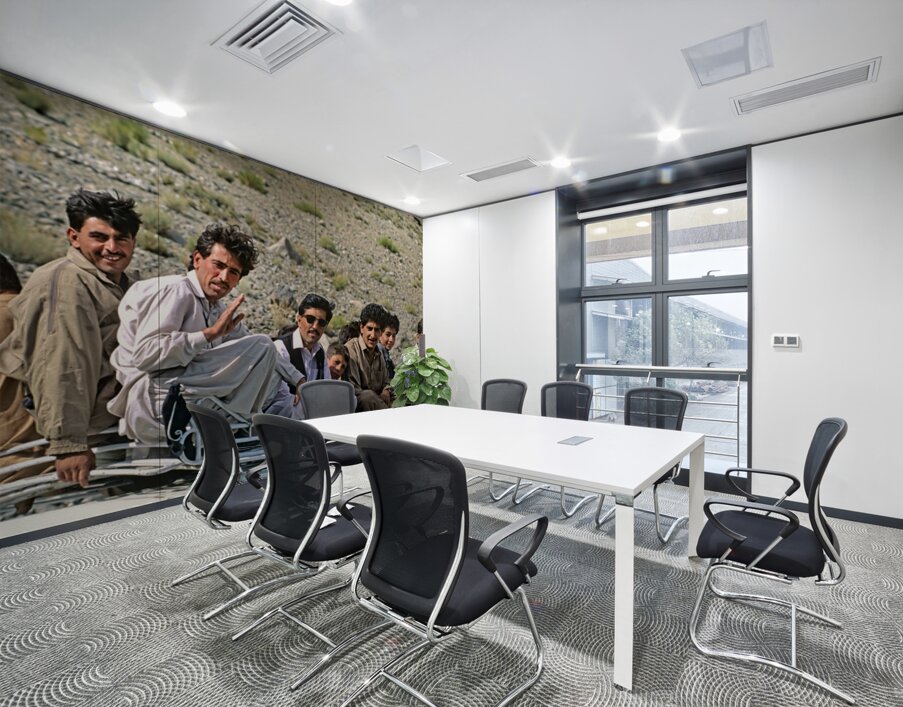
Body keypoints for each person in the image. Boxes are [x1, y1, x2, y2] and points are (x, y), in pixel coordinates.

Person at [108, 224, 305, 445]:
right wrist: (207, 335)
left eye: (233, 272)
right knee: (262, 347)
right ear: (197, 260)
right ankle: (223, 425)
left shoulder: (216, 308)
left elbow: (260, 351)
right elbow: (145, 356)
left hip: (185, 393)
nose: (223, 277)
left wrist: (299, 380)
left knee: (267, 363)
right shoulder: (176, 290)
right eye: (218, 265)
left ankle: (225, 424)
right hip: (155, 398)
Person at [0, 189, 141, 488]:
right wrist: (69, 444)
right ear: (74, 237)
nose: (112, 247)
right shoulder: (67, 283)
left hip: (115, 430)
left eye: (121, 238)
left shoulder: (118, 284)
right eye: (99, 237)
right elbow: (62, 365)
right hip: (89, 441)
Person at [275, 293, 333, 387]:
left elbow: (327, 388)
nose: (315, 326)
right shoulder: (281, 348)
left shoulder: (320, 353)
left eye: (321, 323)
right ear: (299, 319)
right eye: (310, 319)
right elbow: (276, 393)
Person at [345, 303, 392, 411]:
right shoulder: (351, 349)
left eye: (377, 330)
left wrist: (386, 391)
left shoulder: (379, 353)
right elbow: (354, 389)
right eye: (370, 329)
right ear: (362, 328)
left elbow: (386, 382)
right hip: (358, 407)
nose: (373, 335)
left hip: (377, 405)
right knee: (367, 397)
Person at [379, 312, 399, 381]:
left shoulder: (385, 353)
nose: (391, 340)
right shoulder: (379, 351)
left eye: (393, 336)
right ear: (379, 333)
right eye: (388, 334)